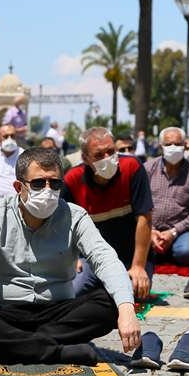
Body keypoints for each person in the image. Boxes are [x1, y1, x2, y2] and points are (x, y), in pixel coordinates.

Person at [0, 147, 141, 366]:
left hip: (54, 312)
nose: (47, 190)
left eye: (54, 183)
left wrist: (127, 309)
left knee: (112, 303)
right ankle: (55, 351)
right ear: (19, 187)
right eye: (38, 183)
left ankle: (8, 346)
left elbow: (105, 259)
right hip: (1, 311)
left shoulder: (75, 216)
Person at [60, 127, 153, 299]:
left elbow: (144, 218)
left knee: (133, 293)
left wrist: (138, 265)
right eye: (98, 154)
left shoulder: (132, 168)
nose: (107, 158)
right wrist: (70, 258)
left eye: (110, 151)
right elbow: (60, 224)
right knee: (71, 293)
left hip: (129, 257)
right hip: (91, 258)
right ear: (85, 159)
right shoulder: (72, 180)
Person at [145, 127, 189, 266]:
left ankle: (166, 250)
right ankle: (159, 249)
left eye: (177, 144)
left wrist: (173, 232)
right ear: (161, 146)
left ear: (184, 145)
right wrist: (150, 231)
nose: (173, 148)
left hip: (180, 230)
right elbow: (135, 203)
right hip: (149, 227)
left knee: (187, 254)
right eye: (168, 144)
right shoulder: (147, 169)